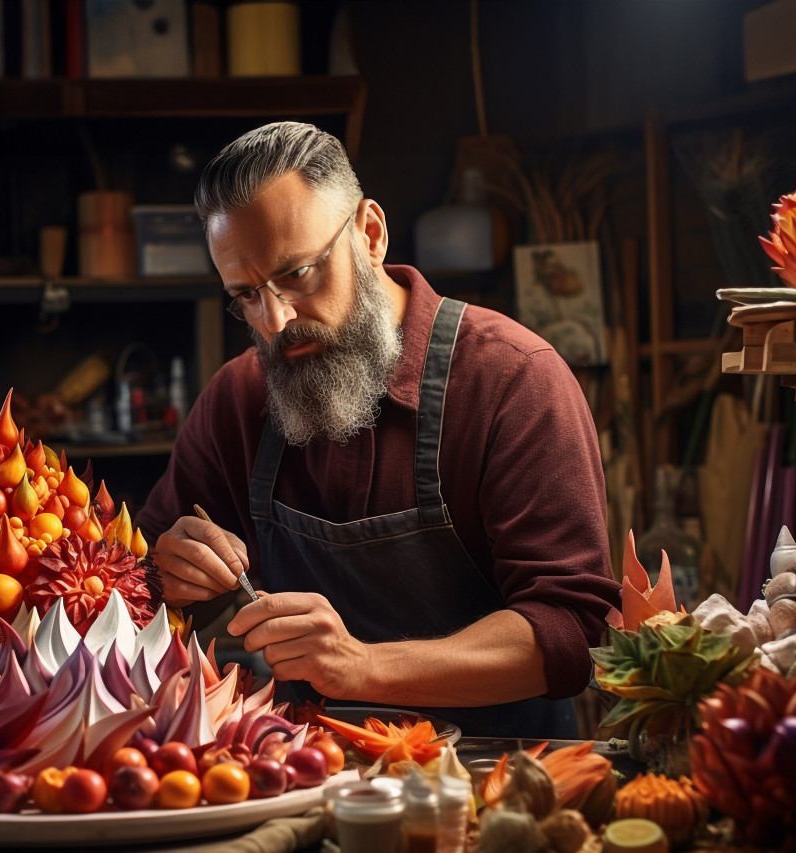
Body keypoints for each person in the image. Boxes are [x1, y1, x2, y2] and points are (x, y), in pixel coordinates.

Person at [136, 121, 620, 738]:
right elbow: (135, 576)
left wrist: (363, 667)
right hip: (309, 770)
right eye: (246, 295)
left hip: (501, 780)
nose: (276, 321)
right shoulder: (240, 397)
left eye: (299, 274)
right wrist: (167, 570)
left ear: (369, 234)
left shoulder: (512, 382)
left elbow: (574, 629)